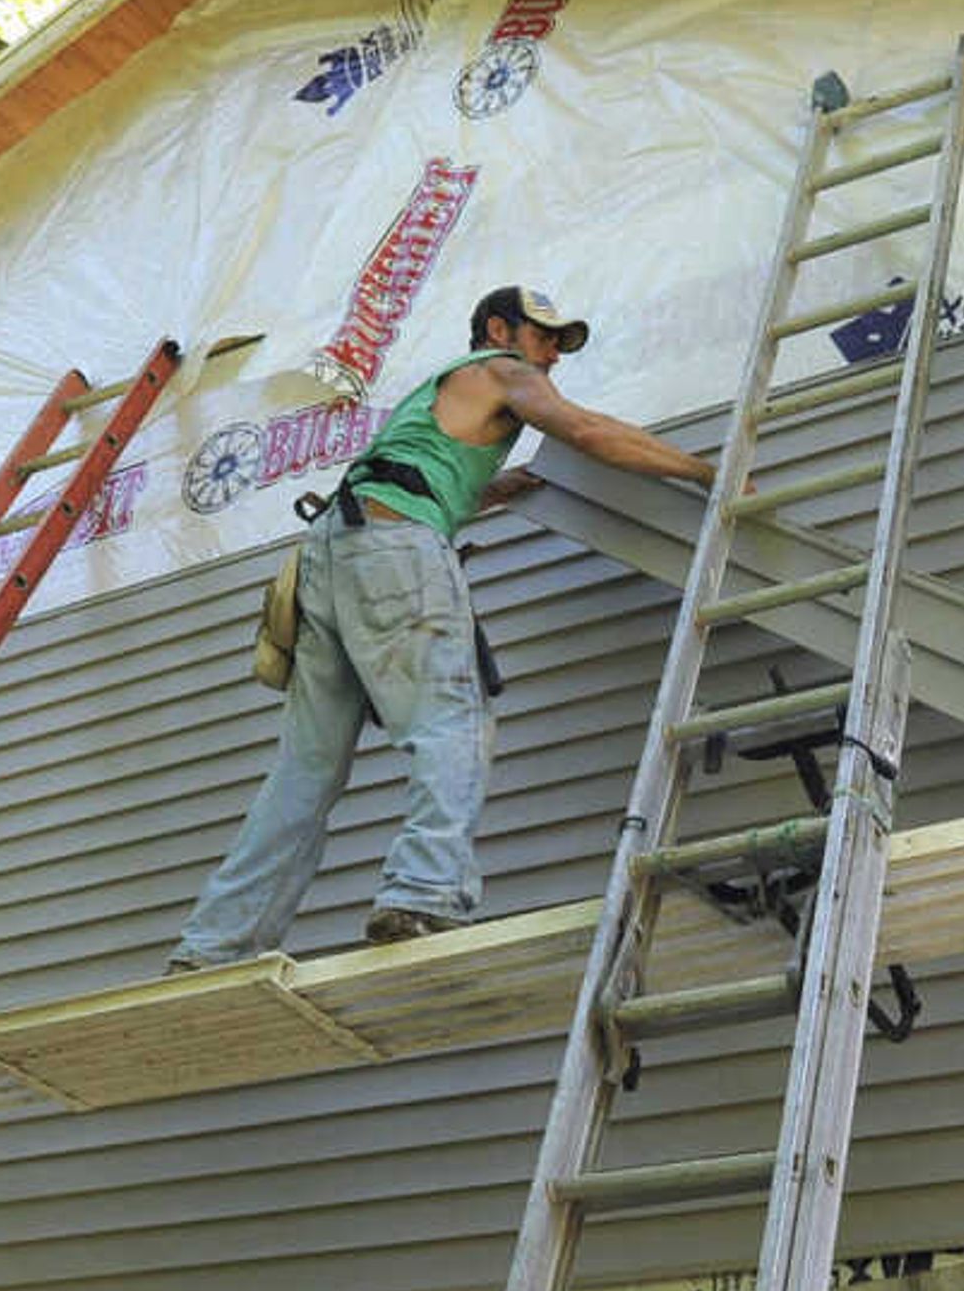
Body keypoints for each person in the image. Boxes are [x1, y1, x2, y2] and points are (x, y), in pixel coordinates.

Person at [174, 286, 710, 964]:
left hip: (330, 555)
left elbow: (407, 476)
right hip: (393, 551)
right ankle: (423, 894)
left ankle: (213, 944)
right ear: (498, 328)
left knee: (304, 772)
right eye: (543, 337)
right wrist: (699, 469)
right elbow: (590, 432)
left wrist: (487, 490)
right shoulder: (501, 369)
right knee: (455, 720)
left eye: (558, 345)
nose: (550, 356)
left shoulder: (434, 394)